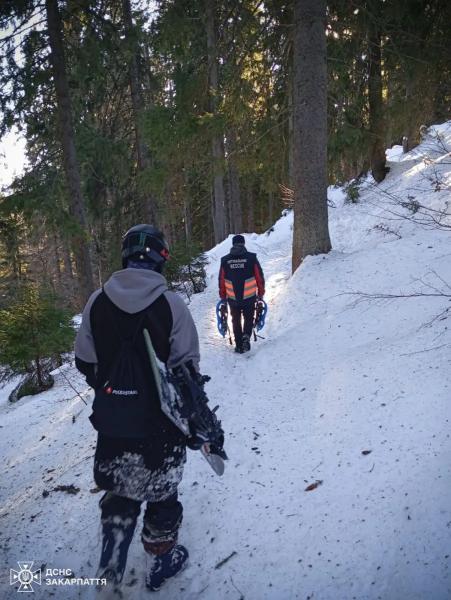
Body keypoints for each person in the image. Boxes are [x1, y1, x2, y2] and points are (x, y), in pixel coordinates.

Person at [74, 224, 203, 593]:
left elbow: (85, 361)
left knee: (120, 484)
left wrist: (113, 390)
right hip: (162, 425)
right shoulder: (172, 305)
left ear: (125, 256)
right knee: (162, 490)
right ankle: (161, 553)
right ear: (161, 258)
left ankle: (112, 556)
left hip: (114, 420)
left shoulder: (97, 302)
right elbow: (188, 368)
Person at [218, 234, 265, 353]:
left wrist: (223, 296)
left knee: (235, 320)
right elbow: (259, 277)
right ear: (243, 243)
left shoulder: (225, 260)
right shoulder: (251, 258)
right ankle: (246, 337)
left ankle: (238, 344)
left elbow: (221, 280)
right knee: (249, 318)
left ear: (233, 244)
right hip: (249, 296)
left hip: (233, 297)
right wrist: (261, 293)